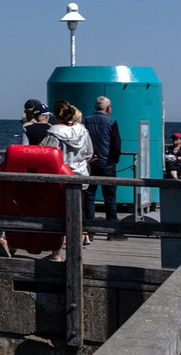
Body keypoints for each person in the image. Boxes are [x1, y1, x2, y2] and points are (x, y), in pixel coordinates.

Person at [43, 101, 95, 258]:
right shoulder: (83, 130)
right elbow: (89, 153)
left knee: (59, 215)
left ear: (56, 115)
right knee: (77, 213)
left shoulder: (54, 132)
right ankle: (74, 248)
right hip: (81, 177)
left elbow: (50, 156)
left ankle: (56, 253)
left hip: (62, 177)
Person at [83, 96, 122, 224]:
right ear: (108, 107)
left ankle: (89, 229)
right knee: (110, 197)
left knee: (89, 196)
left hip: (90, 163)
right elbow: (116, 144)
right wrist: (115, 160)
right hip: (107, 164)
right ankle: (112, 228)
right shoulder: (111, 122)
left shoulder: (86, 121)